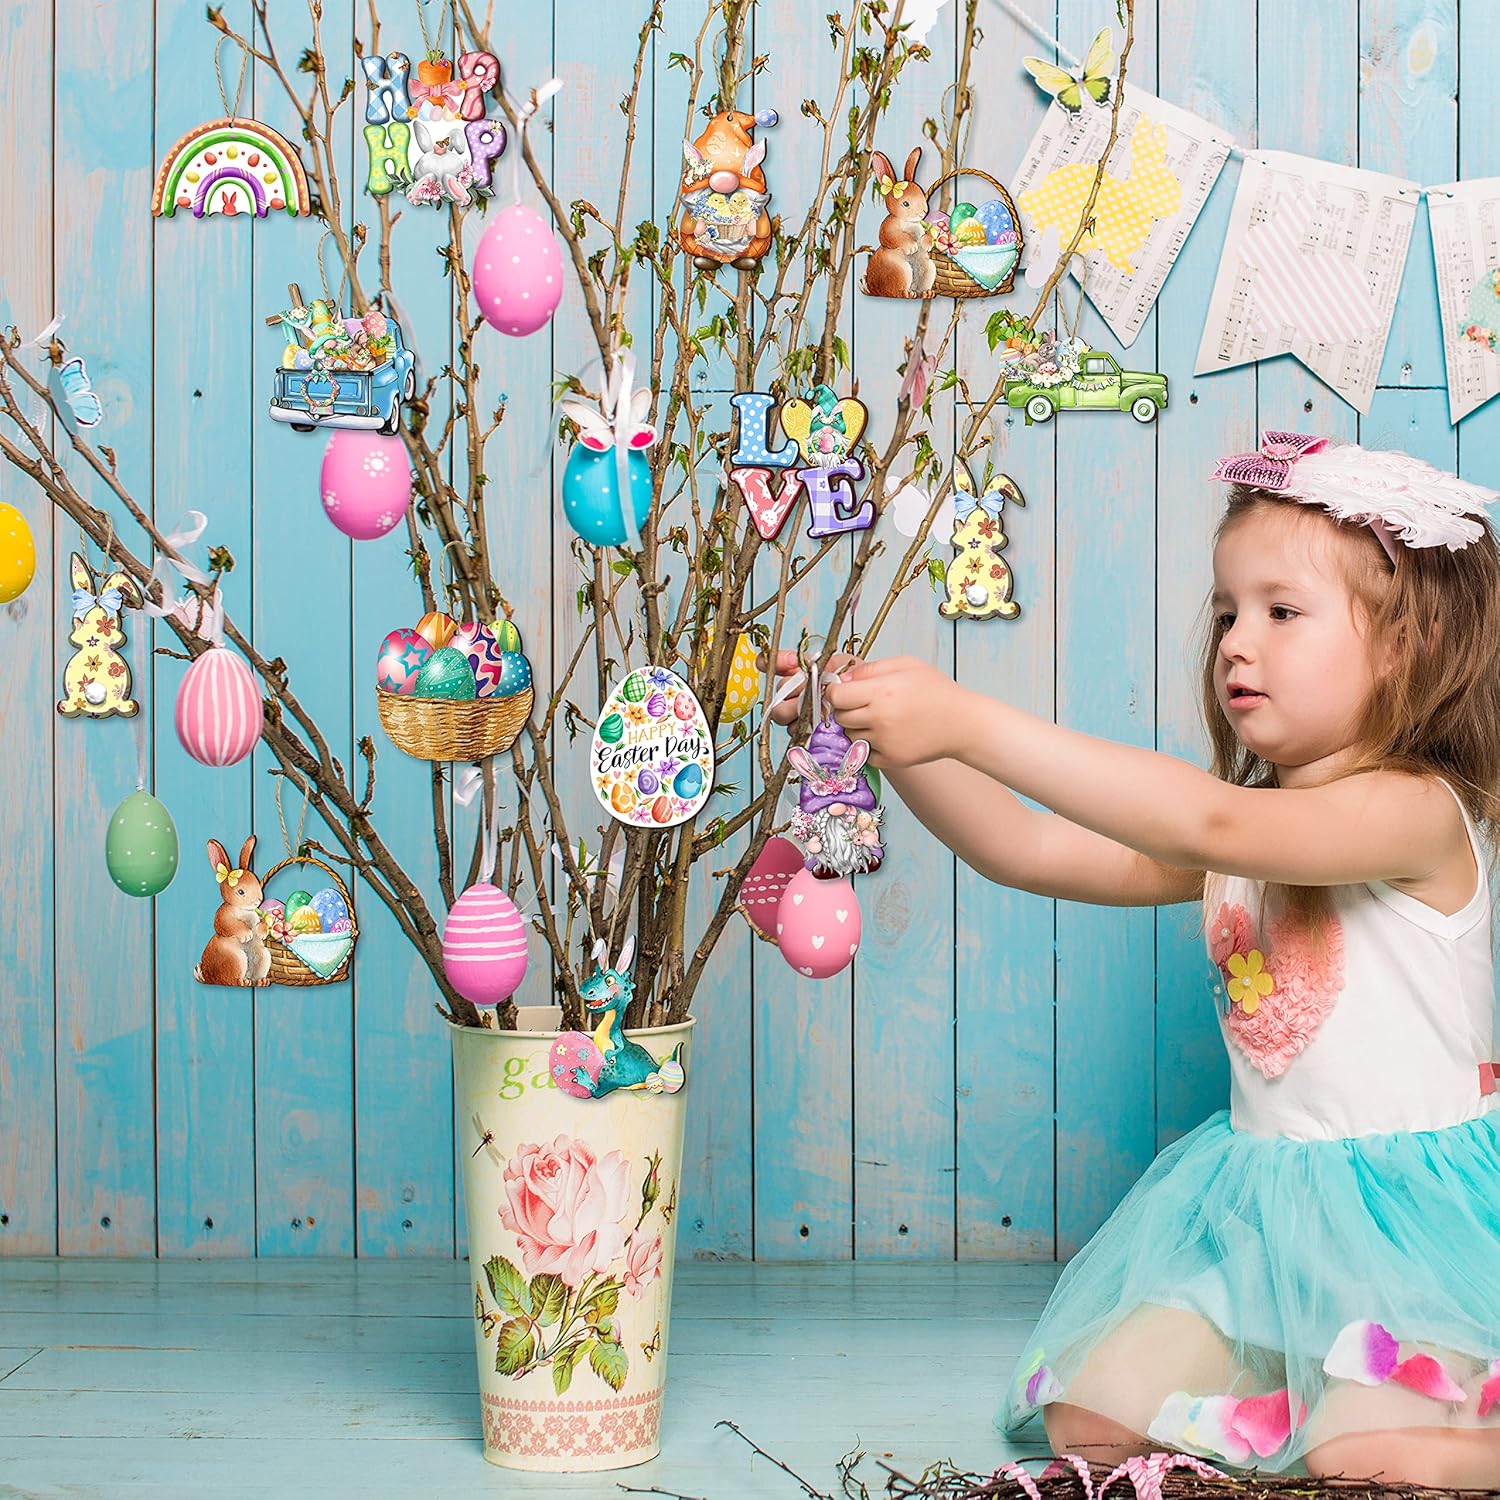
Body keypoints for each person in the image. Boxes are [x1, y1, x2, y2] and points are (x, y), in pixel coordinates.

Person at [768, 434, 1500, 1484]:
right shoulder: (1241, 830)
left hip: (1417, 1229)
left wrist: (968, 718)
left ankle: (1393, 1407)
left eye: (1281, 612)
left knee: (1366, 1453)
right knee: (1093, 1420)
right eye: (1227, 613)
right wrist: (884, 736)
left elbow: (1211, 822)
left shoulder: (1416, 811)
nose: (1237, 644)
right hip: (1268, 1216)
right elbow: (1023, 848)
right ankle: (1308, 1391)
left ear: (1408, 642)